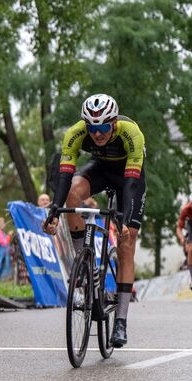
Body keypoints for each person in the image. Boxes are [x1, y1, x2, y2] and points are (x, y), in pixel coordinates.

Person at [43, 93, 146, 348]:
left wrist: (124, 221)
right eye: (92, 128)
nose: (97, 134)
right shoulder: (76, 133)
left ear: (113, 123)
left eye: (102, 127)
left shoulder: (131, 133)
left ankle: (121, 320)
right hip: (99, 168)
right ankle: (84, 261)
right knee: (72, 194)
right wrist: (53, 211)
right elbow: (65, 176)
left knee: (126, 243)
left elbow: (132, 184)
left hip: (128, 178)